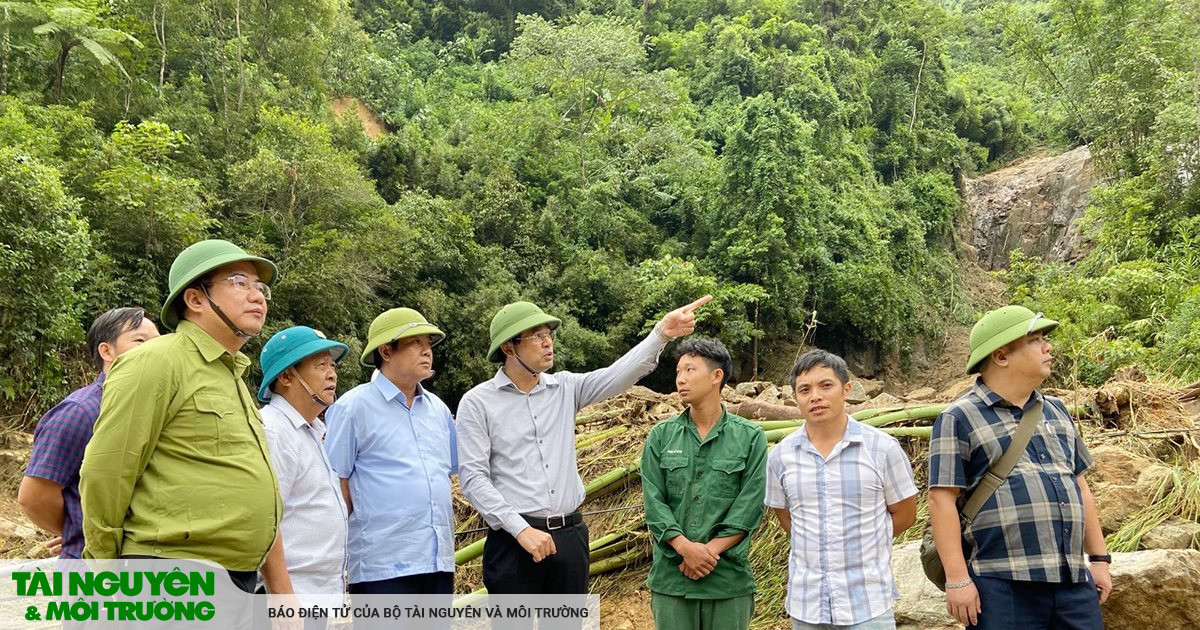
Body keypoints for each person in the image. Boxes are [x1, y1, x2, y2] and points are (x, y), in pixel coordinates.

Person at [456, 295, 711, 596]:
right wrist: (520, 529)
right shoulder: (478, 402)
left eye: (548, 334)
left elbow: (618, 374)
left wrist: (661, 334)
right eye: (536, 336)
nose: (547, 342)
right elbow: (473, 479)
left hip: (569, 538)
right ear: (508, 347)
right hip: (514, 542)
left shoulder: (565, 387)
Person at [80, 239, 284, 594]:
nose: (257, 296)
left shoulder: (230, 373)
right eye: (239, 282)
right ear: (195, 299)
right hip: (172, 575)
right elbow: (107, 470)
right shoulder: (156, 361)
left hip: (234, 579)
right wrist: (106, 575)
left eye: (260, 287)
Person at [928, 306, 1110, 630]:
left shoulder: (1056, 410)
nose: (1047, 347)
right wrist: (957, 579)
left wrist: (1098, 560)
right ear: (1001, 356)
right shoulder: (958, 417)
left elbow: (1080, 486)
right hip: (1001, 584)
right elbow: (941, 499)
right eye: (1036, 340)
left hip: (1072, 581)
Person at [766, 350, 918, 630]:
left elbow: (906, 514)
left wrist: (863, 539)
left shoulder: (882, 449)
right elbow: (787, 517)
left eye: (826, 385)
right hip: (806, 604)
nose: (815, 396)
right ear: (796, 398)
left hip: (867, 603)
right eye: (804, 390)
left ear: (846, 389)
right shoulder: (781, 456)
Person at [325, 308, 457, 595]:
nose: (427, 351)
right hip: (381, 567)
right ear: (386, 351)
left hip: (438, 561)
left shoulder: (439, 410)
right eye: (416, 343)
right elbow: (336, 485)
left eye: (428, 344)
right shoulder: (352, 408)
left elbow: (445, 475)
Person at [641, 338, 766, 630]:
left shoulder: (750, 437)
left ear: (716, 376)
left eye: (690, 370)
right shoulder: (661, 436)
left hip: (727, 580)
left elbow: (750, 505)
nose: (680, 379)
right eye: (678, 371)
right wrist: (685, 548)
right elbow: (654, 501)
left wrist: (708, 552)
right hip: (673, 578)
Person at [19, 307, 159, 559]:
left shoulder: (154, 409)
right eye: (140, 340)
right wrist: (79, 529)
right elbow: (35, 496)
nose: (153, 350)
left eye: (158, 343)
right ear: (106, 351)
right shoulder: (80, 412)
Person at [256, 325, 351, 626]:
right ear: (286, 377)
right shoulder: (274, 430)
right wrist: (283, 596)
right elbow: (265, 520)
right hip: (292, 600)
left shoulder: (311, 431)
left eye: (332, 365)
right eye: (320, 365)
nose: (332, 374)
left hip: (316, 599)